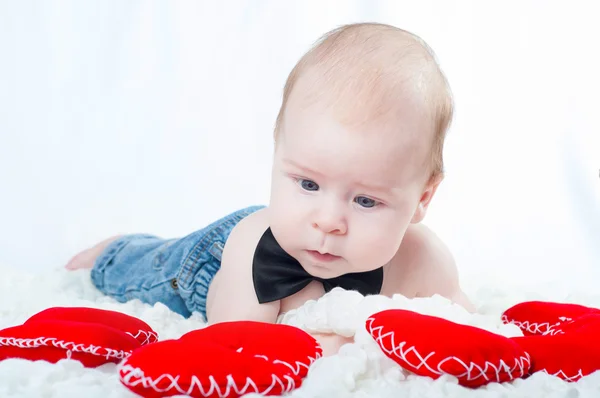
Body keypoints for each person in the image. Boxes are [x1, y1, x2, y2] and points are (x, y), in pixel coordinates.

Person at [66, 22, 475, 355]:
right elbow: (236, 344)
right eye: (308, 183)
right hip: (213, 258)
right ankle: (114, 250)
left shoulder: (425, 261)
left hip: (281, 227)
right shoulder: (253, 253)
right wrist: (340, 344)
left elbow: (463, 321)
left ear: (421, 200)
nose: (329, 221)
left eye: (366, 200)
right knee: (143, 270)